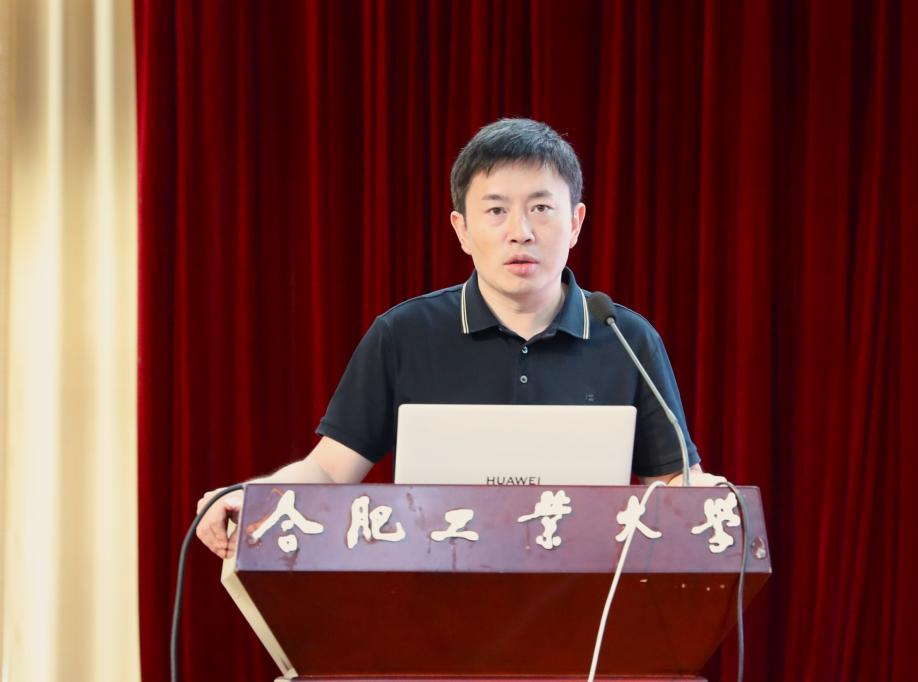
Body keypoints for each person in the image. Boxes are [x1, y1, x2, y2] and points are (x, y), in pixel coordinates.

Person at [197, 118, 717, 558]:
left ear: (576, 222)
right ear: (462, 229)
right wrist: (252, 497)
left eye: (541, 208)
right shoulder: (405, 335)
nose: (520, 231)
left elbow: (675, 486)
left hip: (592, 607)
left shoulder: (625, 339)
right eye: (496, 210)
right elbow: (330, 472)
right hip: (433, 600)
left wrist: (713, 493)